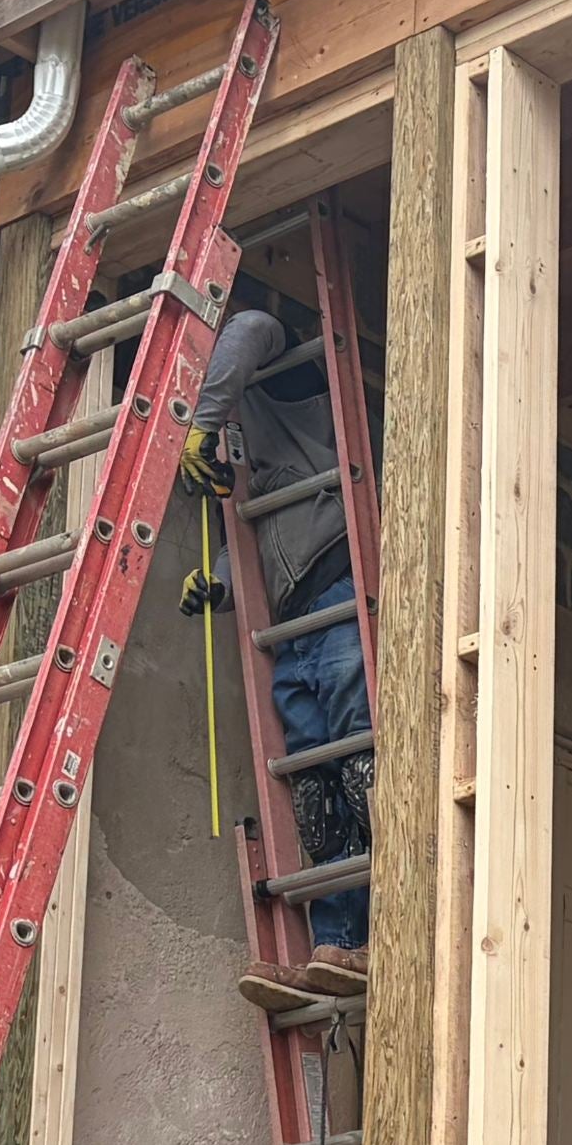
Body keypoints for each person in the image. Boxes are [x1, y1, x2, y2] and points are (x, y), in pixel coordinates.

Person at [180, 305, 370, 1016]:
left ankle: (392, 928)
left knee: (360, 756)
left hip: (340, 588)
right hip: (293, 623)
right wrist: (220, 585)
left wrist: (203, 416)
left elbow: (252, 327)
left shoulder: (287, 379)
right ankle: (338, 943)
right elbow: (257, 531)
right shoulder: (240, 436)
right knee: (317, 781)